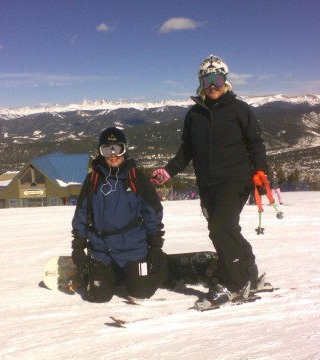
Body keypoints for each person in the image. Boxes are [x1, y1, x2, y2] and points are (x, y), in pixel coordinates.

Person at [151, 55, 270, 306]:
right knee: (222, 231)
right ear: (201, 82)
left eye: (217, 78)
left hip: (235, 180)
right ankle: (248, 272)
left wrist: (261, 172)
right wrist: (169, 171)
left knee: (221, 228)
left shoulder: (239, 110)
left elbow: (255, 144)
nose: (213, 84)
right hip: (207, 184)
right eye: (207, 79)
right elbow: (187, 150)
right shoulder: (194, 115)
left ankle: (234, 285)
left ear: (226, 81)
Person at [71, 127, 168, 303]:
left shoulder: (135, 178)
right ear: (101, 153)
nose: (113, 155)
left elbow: (152, 211)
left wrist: (155, 244)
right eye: (107, 150)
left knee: (141, 294)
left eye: (118, 149)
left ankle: (162, 268)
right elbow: (82, 213)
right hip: (102, 250)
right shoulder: (93, 180)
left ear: (125, 150)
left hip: (133, 249)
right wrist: (78, 245)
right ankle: (108, 275)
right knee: (98, 297)